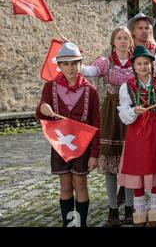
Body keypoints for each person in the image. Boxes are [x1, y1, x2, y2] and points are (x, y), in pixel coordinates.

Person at [81, 25, 156, 226]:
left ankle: (132, 209)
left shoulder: (143, 63)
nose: (122, 41)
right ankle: (113, 209)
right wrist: (75, 58)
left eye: (125, 38)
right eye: (119, 38)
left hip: (144, 123)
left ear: (130, 42)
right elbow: (88, 71)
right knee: (112, 164)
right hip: (114, 115)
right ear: (113, 42)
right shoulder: (106, 62)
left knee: (136, 163)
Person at [36, 42, 100, 227]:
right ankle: (68, 224)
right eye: (66, 64)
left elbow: (96, 124)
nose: (70, 68)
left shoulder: (91, 91)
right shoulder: (50, 88)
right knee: (65, 186)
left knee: (80, 185)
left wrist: (95, 153)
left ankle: (80, 224)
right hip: (60, 146)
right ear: (60, 66)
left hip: (82, 146)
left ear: (81, 64)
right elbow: (41, 114)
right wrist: (42, 108)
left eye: (74, 63)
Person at [117, 45, 156, 227]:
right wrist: (134, 110)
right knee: (138, 180)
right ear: (133, 66)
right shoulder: (127, 87)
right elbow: (123, 115)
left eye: (146, 64)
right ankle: (140, 218)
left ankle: (154, 219)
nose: (143, 67)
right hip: (136, 136)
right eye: (139, 64)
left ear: (152, 65)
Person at [126, 12, 156, 200]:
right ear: (133, 31)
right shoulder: (127, 49)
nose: (144, 31)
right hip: (131, 100)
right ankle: (130, 186)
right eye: (140, 28)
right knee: (132, 147)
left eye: (147, 28)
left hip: (155, 98)